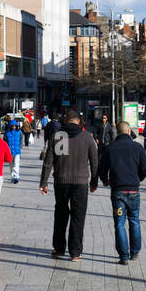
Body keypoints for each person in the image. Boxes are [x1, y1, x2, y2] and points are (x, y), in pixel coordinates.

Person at [40, 110, 99, 261]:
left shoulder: (59, 136)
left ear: (65, 121)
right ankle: (75, 252)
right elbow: (94, 162)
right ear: (79, 121)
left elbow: (49, 162)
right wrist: (94, 181)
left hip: (61, 182)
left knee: (61, 214)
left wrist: (44, 182)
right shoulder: (87, 137)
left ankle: (59, 248)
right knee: (78, 217)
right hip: (80, 183)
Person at [98, 120, 146, 264]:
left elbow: (102, 169)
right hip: (133, 190)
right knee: (134, 221)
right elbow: (145, 168)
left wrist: (105, 180)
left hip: (118, 191)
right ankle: (135, 252)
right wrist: (137, 178)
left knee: (119, 223)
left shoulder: (110, 148)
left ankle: (123, 256)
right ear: (128, 132)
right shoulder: (137, 147)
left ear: (117, 132)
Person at [5, 119, 23, 183]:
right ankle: (13, 177)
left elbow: (21, 139)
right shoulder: (7, 133)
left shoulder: (19, 132)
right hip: (9, 151)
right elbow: (5, 142)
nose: (14, 127)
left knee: (16, 164)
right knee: (11, 165)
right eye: (12, 126)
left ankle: (16, 177)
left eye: (15, 126)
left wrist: (20, 147)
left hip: (17, 151)